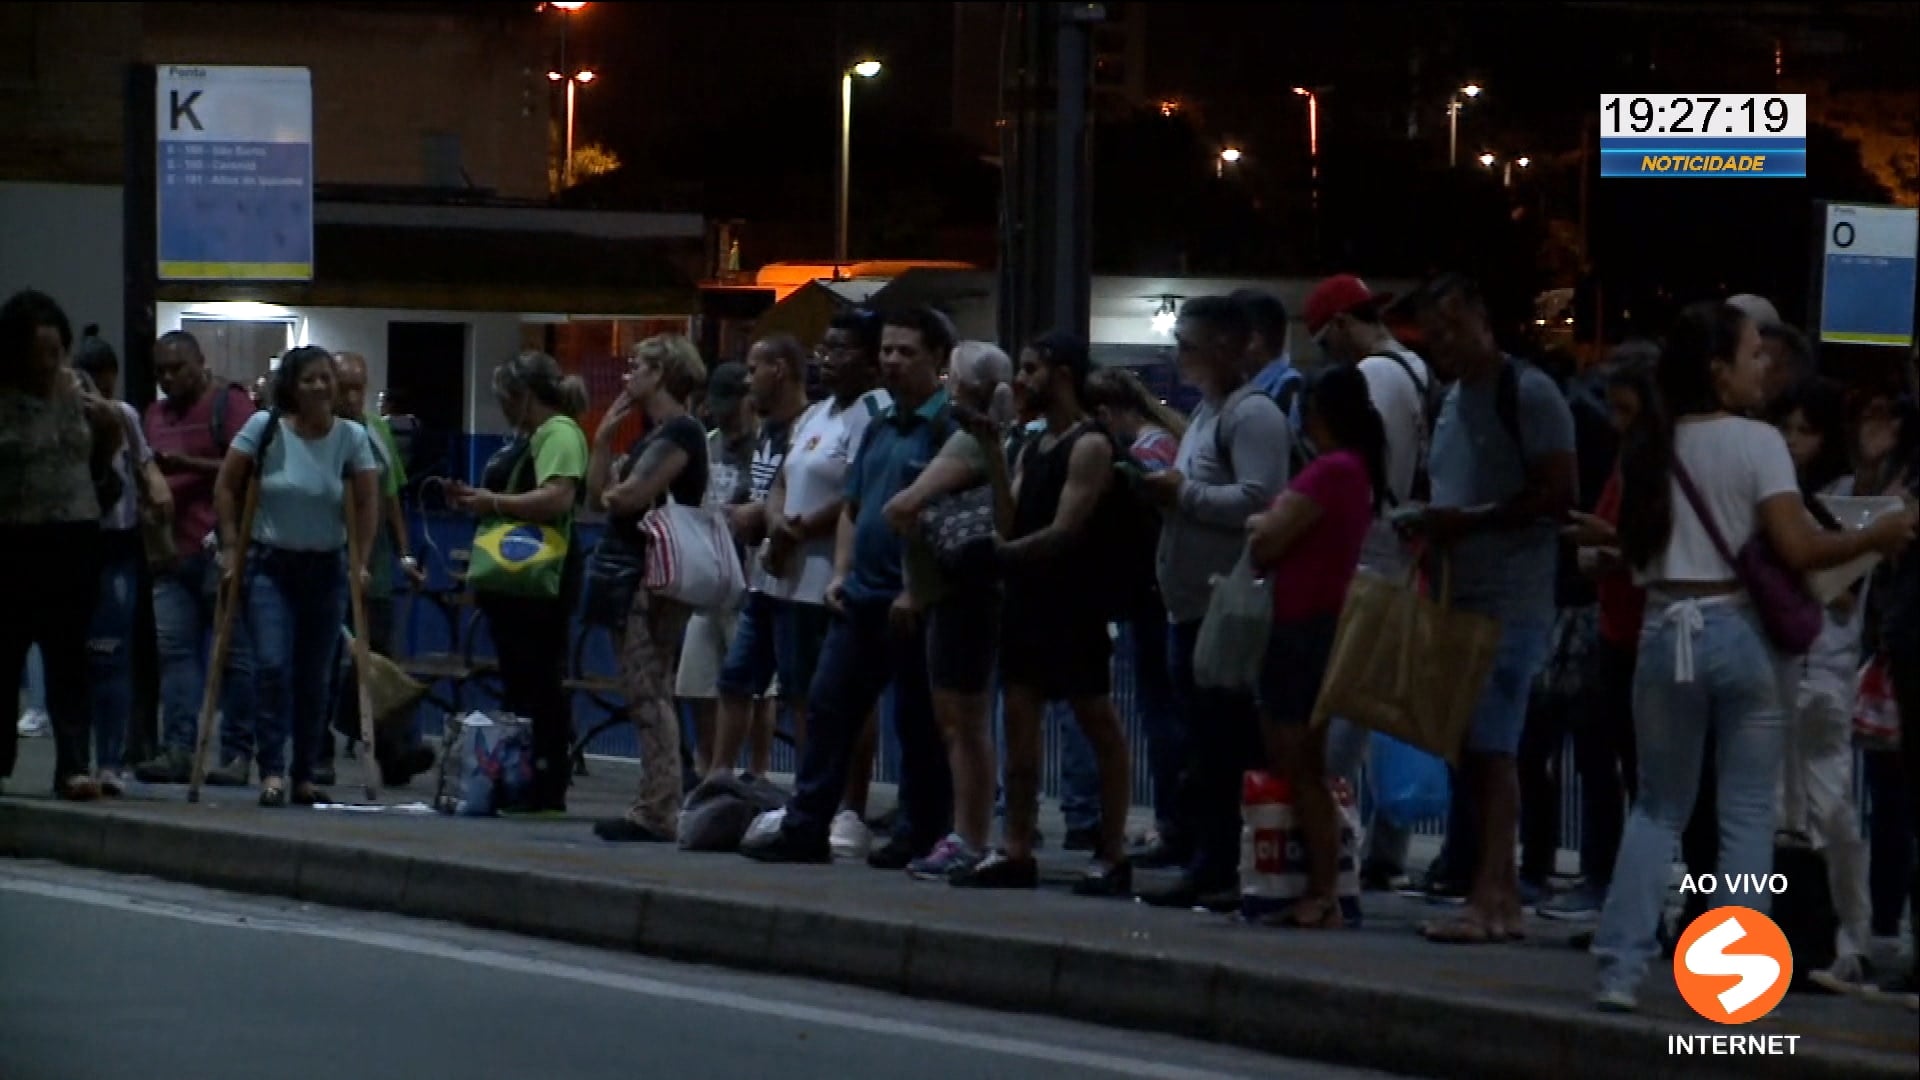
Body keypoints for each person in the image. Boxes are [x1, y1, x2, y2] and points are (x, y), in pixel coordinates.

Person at [1592, 301, 1915, 1012]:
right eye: (1751, 354)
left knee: (1655, 807)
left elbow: (1633, 547)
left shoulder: (1651, 440)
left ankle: (1619, 968)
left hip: (1661, 631)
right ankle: (1731, 986)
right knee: (1744, 816)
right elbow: (1799, 549)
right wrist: (1875, 535)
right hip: (1740, 631)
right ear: (1718, 371)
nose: (1764, 364)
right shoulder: (1757, 443)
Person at [740, 306, 960, 867]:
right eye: (887, 349)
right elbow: (854, 508)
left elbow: (946, 516)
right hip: (860, 593)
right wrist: (841, 571)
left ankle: (919, 830)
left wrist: (918, 588)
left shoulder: (947, 431)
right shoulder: (883, 426)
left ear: (937, 358)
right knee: (828, 704)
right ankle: (807, 824)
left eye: (905, 351)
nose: (892, 361)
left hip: (914, 602)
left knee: (917, 723)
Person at [1401, 275, 1576, 946]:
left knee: (1492, 747)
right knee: (1473, 751)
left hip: (1509, 595)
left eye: (1450, 328)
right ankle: (1494, 892)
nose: (1441, 344)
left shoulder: (1527, 392)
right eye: (1432, 333)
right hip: (1459, 589)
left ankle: (1494, 896)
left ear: (1482, 319)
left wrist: (1466, 523)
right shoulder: (1450, 399)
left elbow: (1558, 493)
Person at [947, 332, 1133, 894]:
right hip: (1029, 603)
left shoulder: (1090, 445)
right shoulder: (1034, 446)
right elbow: (1012, 519)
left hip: (1074, 602)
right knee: (1018, 725)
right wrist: (994, 453)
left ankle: (1113, 849)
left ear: (1063, 374)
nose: (1020, 381)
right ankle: (1017, 847)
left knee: (1098, 721)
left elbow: (1064, 531)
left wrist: (997, 557)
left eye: (1030, 368)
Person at [1136, 296, 1291, 909]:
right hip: (1192, 607)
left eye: (1189, 345)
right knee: (1207, 742)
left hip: (1226, 610)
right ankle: (1211, 859)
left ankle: (1230, 865)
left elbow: (1260, 501)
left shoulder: (1252, 417)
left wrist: (1185, 494)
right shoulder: (1207, 412)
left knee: (1227, 743)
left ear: (1227, 349)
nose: (1179, 356)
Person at [1304, 272, 1433, 890]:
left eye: (1325, 343)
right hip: (1403, 559)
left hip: (1372, 558)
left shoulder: (1376, 378)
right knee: (1379, 710)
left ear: (1340, 327)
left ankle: (1327, 843)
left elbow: (1366, 471)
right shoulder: (1416, 370)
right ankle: (1385, 846)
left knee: (1341, 714)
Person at [1245, 364, 1385, 927]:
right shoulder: (1356, 471)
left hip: (1303, 627)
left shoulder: (1331, 471)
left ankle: (1322, 891)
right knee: (1301, 758)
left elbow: (1268, 541)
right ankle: (1315, 886)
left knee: (1299, 759)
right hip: (1317, 623)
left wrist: (1261, 523)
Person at [749, 309, 891, 859]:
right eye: (824, 349)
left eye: (841, 350)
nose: (827, 359)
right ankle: (814, 798)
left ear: (872, 356)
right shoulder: (815, 415)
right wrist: (779, 522)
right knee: (803, 698)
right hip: (791, 574)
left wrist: (804, 527)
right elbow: (785, 475)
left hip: (834, 575)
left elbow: (857, 490)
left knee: (846, 701)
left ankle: (849, 805)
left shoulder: (872, 413)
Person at [215, 346, 379, 806]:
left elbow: (367, 502)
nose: (321, 386)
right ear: (292, 385)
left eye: (326, 377)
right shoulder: (264, 429)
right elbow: (227, 486)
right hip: (271, 565)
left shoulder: (351, 437)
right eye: (310, 379)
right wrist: (230, 546)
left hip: (325, 567)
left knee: (316, 675)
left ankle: (304, 772)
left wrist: (360, 561)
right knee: (271, 666)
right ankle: (271, 769)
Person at [878, 340, 1014, 882]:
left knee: (963, 724)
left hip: (960, 595)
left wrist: (914, 516)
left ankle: (969, 835)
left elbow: (902, 504)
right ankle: (968, 832)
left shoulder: (970, 442)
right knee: (962, 722)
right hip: (962, 595)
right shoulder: (991, 439)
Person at [1767, 376, 1879, 990]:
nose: (1792, 441)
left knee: (1829, 808)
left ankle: (1849, 938)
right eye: (1786, 428)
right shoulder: (1780, 496)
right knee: (1786, 811)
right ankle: (1799, 932)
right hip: (1785, 665)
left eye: (1805, 430)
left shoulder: (1838, 499)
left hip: (1825, 670)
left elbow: (1844, 595)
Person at [1545, 343, 1657, 923]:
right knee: (1609, 761)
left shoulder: (1658, 463)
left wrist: (1607, 549)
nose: (1616, 424)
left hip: (1649, 632)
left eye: (1627, 412)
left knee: (1652, 786)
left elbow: (1655, 549)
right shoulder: (1627, 460)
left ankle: (1638, 904)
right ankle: (1621, 896)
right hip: (1617, 627)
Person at [450, 351, 590, 814]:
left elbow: (556, 498)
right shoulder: (528, 437)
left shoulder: (560, 433)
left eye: (505, 399)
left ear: (525, 396)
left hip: (541, 583)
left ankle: (546, 781)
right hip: (513, 588)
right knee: (519, 680)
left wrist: (492, 503)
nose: (503, 410)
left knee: (540, 680)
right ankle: (518, 774)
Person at [587, 335, 709, 842]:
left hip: (650, 576)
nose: (627, 375)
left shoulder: (679, 432)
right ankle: (658, 796)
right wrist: (601, 443)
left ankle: (659, 804)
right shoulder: (652, 434)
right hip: (636, 573)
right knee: (646, 687)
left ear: (661, 374)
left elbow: (625, 498)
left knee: (648, 688)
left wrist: (617, 486)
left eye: (637, 366)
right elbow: (598, 497)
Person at [0, 289, 119, 800]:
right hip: (11, 535)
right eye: (39, 353)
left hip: (73, 532)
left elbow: (100, 458)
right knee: (4, 654)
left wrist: (109, 426)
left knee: (69, 656)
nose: (51, 364)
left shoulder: (79, 387)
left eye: (57, 351)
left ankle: (72, 766)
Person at [135, 331, 259, 784]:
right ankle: (178, 751)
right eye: (160, 372)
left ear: (199, 363)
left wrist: (185, 466)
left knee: (234, 656)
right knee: (176, 655)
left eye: (177, 368)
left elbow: (248, 468)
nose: (168, 379)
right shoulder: (154, 414)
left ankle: (236, 755)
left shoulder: (230, 405)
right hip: (169, 553)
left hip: (218, 548)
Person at [1082, 367, 1186, 865]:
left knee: (1161, 713)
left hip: (1153, 595)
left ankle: (1175, 822)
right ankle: (1176, 820)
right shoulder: (1169, 440)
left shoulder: (1143, 454)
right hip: (1160, 592)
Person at [324, 352, 431, 787]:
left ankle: (395, 752)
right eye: (343, 388)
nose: (351, 397)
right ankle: (320, 755)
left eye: (358, 388)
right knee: (333, 663)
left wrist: (405, 555)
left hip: (379, 569)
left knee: (383, 663)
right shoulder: (321, 435)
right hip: (332, 564)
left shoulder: (378, 429)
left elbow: (390, 497)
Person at [711, 335, 814, 778]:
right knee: (735, 680)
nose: (748, 380)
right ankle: (719, 776)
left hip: (800, 580)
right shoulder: (769, 431)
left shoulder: (809, 427)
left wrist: (768, 519)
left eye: (754, 370)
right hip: (759, 580)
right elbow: (767, 491)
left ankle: (813, 791)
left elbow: (810, 492)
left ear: (781, 369)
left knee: (799, 692)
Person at [73, 330, 169, 795]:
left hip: (119, 543)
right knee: (76, 658)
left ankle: (110, 761)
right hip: (75, 542)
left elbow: (146, 471)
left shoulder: (125, 416)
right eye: (94, 386)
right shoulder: (66, 417)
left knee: (113, 654)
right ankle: (76, 759)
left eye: (107, 387)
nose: (101, 397)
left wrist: (156, 494)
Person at [673, 361, 756, 776]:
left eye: (732, 403)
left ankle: (756, 770)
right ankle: (710, 767)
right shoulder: (707, 444)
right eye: (717, 404)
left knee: (756, 684)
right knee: (697, 679)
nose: (724, 413)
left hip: (751, 574)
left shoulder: (766, 444)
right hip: (710, 576)